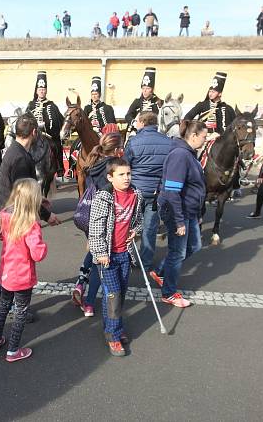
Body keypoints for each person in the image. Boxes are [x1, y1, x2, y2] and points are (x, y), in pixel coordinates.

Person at [0, 114, 60, 312]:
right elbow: (25, 194)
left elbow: (23, 188)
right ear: (34, 132)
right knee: (18, 256)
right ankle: (16, 304)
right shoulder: (21, 158)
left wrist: (40, 199)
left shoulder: (14, 151)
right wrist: (46, 215)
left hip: (7, 208)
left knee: (11, 252)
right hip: (15, 212)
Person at [88, 157, 144, 357]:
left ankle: (112, 327)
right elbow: (95, 228)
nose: (126, 178)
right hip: (108, 257)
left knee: (118, 294)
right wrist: (100, 252)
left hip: (124, 254)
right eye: (121, 175)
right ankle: (113, 334)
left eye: (128, 174)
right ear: (110, 177)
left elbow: (139, 219)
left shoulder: (136, 194)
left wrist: (135, 231)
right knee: (113, 296)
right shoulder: (104, 198)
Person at [0, 178, 48, 362]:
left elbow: (2, 237)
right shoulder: (30, 225)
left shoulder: (5, 215)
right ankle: (13, 350)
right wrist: (43, 246)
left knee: (3, 306)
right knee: (21, 311)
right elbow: (37, 254)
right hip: (22, 276)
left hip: (6, 271)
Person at [150, 120, 207, 308]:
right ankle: (169, 292)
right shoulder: (181, 155)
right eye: (204, 137)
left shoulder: (190, 154)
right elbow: (172, 191)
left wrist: (197, 212)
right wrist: (179, 221)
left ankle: (160, 271)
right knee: (178, 252)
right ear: (193, 136)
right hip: (177, 212)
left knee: (195, 246)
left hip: (189, 210)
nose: (205, 140)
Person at [74, 133, 124, 317]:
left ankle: (80, 283)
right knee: (100, 260)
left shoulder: (92, 163)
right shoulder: (113, 167)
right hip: (105, 219)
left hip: (88, 216)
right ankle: (88, 302)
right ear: (118, 149)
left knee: (94, 252)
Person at [124, 111, 172, 278]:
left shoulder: (133, 141)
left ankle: (125, 258)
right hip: (155, 192)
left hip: (135, 190)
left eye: (137, 121)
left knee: (127, 225)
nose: (135, 124)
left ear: (143, 123)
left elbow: (125, 166)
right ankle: (145, 261)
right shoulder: (168, 142)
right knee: (150, 228)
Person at [26, 71, 64, 176]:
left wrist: (48, 125)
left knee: (56, 146)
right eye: (40, 90)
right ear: (36, 91)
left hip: (48, 136)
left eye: (44, 90)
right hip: (34, 135)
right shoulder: (31, 105)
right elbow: (25, 120)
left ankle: (59, 168)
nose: (42, 91)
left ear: (46, 91)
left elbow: (60, 120)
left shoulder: (52, 105)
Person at [184, 71, 235, 138]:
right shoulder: (202, 105)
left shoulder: (228, 109)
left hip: (222, 140)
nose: (210, 94)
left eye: (213, 92)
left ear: (220, 94)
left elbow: (235, 126)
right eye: (210, 91)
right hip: (204, 139)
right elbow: (187, 118)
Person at [124, 67, 161, 133]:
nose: (145, 90)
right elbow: (128, 116)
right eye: (143, 88)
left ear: (152, 90)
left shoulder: (158, 102)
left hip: (154, 130)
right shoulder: (137, 101)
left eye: (148, 88)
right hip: (139, 130)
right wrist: (135, 123)